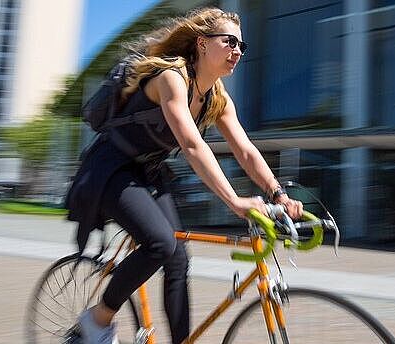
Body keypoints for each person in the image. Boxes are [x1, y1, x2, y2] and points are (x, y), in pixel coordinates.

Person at [66, 7, 303, 344]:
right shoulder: (170, 78)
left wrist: (277, 193)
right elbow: (192, 146)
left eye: (242, 46)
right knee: (161, 243)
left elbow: (246, 151)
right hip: (112, 167)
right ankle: (97, 321)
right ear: (202, 44)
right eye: (229, 41)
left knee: (177, 259)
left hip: (148, 171)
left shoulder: (217, 98)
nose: (237, 51)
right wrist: (235, 201)